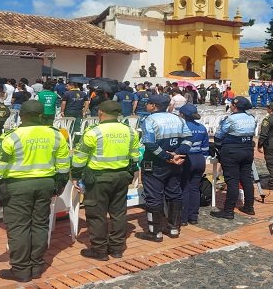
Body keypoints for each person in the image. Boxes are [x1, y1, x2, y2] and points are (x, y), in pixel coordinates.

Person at [0, 100, 70, 282]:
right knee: (40, 225)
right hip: (45, 185)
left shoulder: (11, 137)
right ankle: (36, 266)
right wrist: (59, 186)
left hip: (17, 188)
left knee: (19, 228)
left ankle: (21, 270)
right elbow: (63, 165)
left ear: (21, 116)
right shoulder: (56, 136)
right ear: (41, 116)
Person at [72, 100, 141, 260]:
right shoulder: (130, 131)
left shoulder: (93, 132)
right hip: (121, 176)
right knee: (119, 213)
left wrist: (76, 175)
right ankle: (117, 248)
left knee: (97, 214)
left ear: (100, 113)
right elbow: (135, 156)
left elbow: (79, 157)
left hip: (98, 178)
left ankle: (99, 250)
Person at [135, 94, 189, 241]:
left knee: (153, 197)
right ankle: (173, 228)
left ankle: (155, 232)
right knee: (174, 194)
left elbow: (150, 144)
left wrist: (168, 156)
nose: (146, 106)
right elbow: (188, 139)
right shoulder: (178, 119)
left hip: (154, 164)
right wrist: (177, 154)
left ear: (153, 106)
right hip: (175, 163)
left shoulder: (149, 120)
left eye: (148, 103)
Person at [211, 96, 257, 219]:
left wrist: (220, 148)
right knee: (247, 179)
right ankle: (249, 207)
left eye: (231, 104)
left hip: (232, 151)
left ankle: (228, 211)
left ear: (235, 106)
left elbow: (219, 135)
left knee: (232, 181)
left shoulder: (230, 119)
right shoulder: (251, 118)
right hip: (247, 150)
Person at [177, 104, 209, 226]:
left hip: (187, 159)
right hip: (199, 159)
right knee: (195, 188)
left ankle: (183, 218)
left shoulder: (181, 127)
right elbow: (205, 147)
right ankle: (193, 217)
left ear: (183, 115)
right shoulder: (201, 127)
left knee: (184, 188)